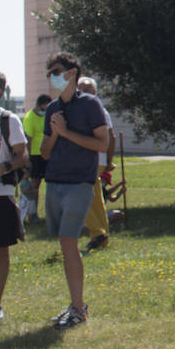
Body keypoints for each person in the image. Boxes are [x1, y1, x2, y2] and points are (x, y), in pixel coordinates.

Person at [40, 53, 110, 329]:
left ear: (72, 73)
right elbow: (45, 152)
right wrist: (56, 133)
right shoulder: (51, 109)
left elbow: (102, 144)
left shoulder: (91, 104)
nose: (52, 77)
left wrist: (67, 132)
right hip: (54, 182)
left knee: (69, 242)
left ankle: (78, 308)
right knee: (65, 242)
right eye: (49, 73)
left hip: (80, 183)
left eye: (55, 71)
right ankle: (75, 305)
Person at [0, 72, 28, 322]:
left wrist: (3, 168)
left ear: (0, 91)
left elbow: (22, 157)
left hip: (0, 195)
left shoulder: (9, 120)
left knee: (0, 249)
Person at [75, 77, 114, 254]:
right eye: (82, 89)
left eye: (88, 89)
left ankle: (97, 232)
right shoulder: (87, 109)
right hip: (90, 159)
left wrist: (109, 160)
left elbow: (111, 137)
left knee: (81, 195)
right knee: (96, 198)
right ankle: (103, 234)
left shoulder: (97, 110)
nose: (85, 92)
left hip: (92, 159)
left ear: (95, 92)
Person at [20, 94, 49, 224]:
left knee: (52, 183)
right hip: (35, 155)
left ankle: (52, 213)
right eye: (45, 106)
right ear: (39, 105)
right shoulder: (29, 117)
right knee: (35, 184)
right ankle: (33, 213)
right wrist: (28, 159)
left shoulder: (47, 116)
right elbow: (28, 140)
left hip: (47, 154)